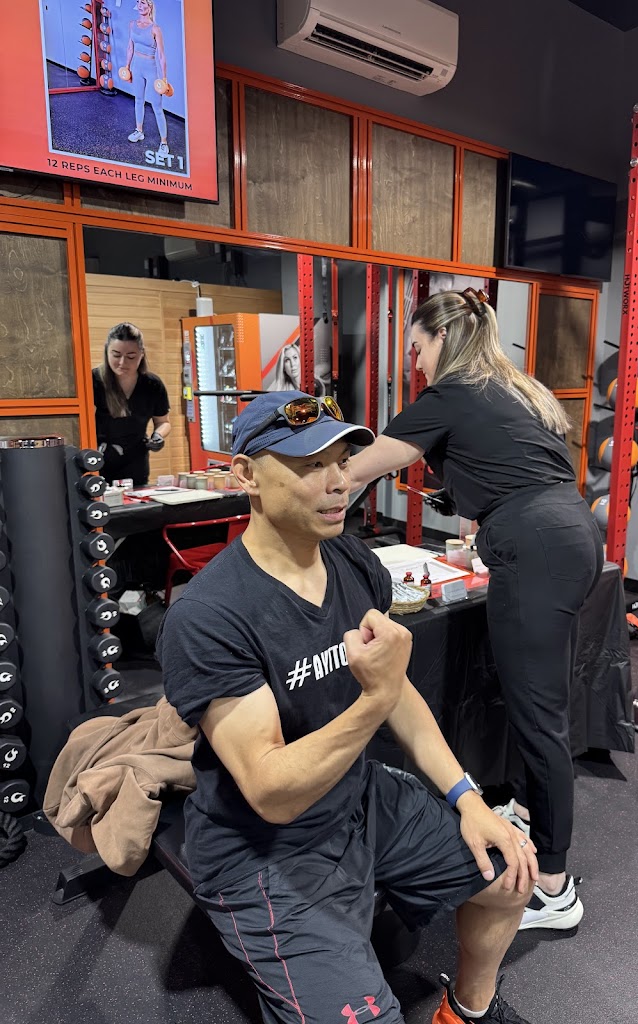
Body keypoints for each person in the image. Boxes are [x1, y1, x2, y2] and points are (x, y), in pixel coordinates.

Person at [157, 390, 540, 1024]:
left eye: (341, 462)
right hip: (265, 848)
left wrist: (468, 798)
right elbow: (272, 791)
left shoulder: (352, 560)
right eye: (311, 466)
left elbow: (399, 694)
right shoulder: (209, 615)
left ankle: (465, 1013)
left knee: (511, 873)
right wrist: (376, 697)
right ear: (246, 474)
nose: (339, 483)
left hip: (357, 796)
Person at [348, 288, 604, 932]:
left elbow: (360, 469)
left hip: (536, 547)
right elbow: (510, 470)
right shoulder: (514, 389)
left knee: (540, 716)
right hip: (569, 534)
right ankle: (528, 813)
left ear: (442, 338)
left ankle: (553, 887)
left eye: (417, 349)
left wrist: (307, 481)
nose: (415, 364)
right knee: (534, 699)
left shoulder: (452, 393)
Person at [92, 322, 171, 485]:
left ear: (142, 354)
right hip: (99, 461)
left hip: (136, 462)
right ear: (106, 351)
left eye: (131, 357)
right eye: (116, 355)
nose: (122, 362)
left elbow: (163, 422)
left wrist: (158, 436)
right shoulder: (92, 380)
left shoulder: (152, 384)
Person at [124, 0, 169, 155]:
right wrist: (127, 67)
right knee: (138, 100)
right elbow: (130, 47)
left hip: (150, 69)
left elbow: (161, 55)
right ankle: (139, 131)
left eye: (143, 2)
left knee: (157, 106)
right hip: (136, 67)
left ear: (150, 6)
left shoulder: (155, 29)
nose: (140, 5)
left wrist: (164, 79)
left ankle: (163, 143)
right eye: (138, 2)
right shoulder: (132, 24)